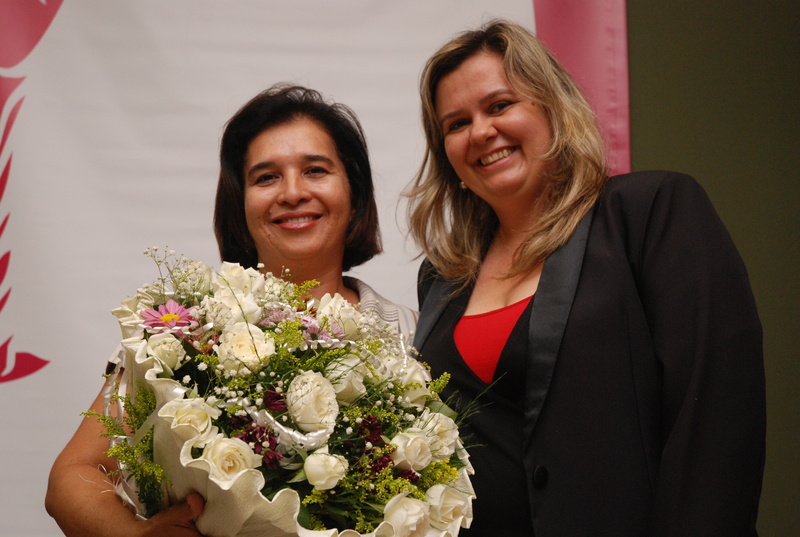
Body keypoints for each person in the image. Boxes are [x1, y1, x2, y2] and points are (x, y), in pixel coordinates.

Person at [406, 20, 765, 536]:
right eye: (457, 123)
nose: (481, 131)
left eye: (500, 105)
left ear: (552, 108)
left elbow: (717, 414)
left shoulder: (649, 214)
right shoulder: (443, 277)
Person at [45, 84, 417, 536]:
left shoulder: (412, 332)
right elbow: (72, 476)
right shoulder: (183, 333)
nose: (292, 192)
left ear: (354, 192)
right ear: (240, 205)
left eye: (315, 170)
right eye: (266, 177)